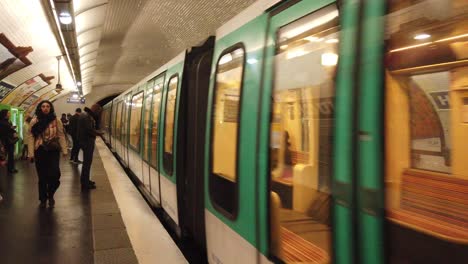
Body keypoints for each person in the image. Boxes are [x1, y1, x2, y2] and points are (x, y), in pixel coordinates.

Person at [28, 101, 68, 208]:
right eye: (43, 106)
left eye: (48, 106)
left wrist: (64, 150)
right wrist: (31, 153)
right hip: (40, 151)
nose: (45, 108)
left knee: (55, 175)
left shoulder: (56, 120)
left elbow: (61, 135)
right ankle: (43, 199)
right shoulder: (34, 121)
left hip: (53, 151)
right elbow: (31, 137)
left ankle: (51, 194)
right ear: (40, 108)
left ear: (51, 108)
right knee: (42, 177)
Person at [77, 104, 102, 190]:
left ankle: (86, 180)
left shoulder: (85, 115)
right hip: (87, 142)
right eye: (98, 111)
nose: (98, 113)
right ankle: (85, 184)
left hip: (85, 142)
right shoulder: (86, 116)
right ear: (95, 109)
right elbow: (88, 130)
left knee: (87, 163)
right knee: (87, 163)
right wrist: (98, 133)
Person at [0, 109, 18, 174]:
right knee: (9, 155)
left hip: (9, 141)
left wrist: (12, 129)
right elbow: (5, 131)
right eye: (8, 113)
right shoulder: (2, 122)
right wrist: (12, 129)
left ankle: (11, 167)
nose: (9, 114)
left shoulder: (8, 121)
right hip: (6, 141)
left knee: (10, 155)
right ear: (5, 114)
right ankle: (10, 168)